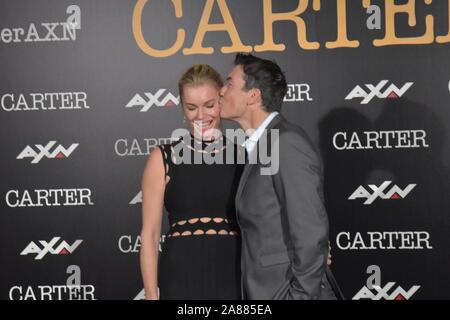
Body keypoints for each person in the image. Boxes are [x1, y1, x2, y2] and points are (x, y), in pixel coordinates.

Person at [219, 53, 344, 300]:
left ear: (253, 96)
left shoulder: (285, 143)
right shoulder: (260, 146)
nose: (221, 91)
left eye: (229, 83)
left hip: (287, 292)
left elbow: (309, 233)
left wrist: (299, 296)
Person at [139, 65, 244, 300]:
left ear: (221, 101)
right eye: (191, 107)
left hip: (233, 272)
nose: (201, 116)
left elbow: (267, 220)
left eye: (209, 105)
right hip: (179, 274)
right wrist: (150, 295)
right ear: (182, 109)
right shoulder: (163, 157)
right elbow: (150, 235)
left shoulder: (245, 156)